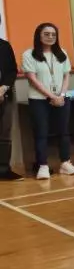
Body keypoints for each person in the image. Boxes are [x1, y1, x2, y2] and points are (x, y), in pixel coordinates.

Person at [21, 22, 74, 179]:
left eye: (53, 34)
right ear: (38, 36)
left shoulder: (62, 53)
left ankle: (65, 163)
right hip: (39, 100)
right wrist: (51, 96)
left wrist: (61, 95)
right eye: (46, 34)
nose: (50, 37)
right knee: (41, 132)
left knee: (64, 132)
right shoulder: (29, 54)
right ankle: (42, 165)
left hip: (62, 98)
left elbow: (66, 76)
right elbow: (32, 79)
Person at [0, 16, 16, 180]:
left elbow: (12, 70)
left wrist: (3, 88)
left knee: (5, 132)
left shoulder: (4, 46)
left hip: (4, 94)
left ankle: (4, 169)